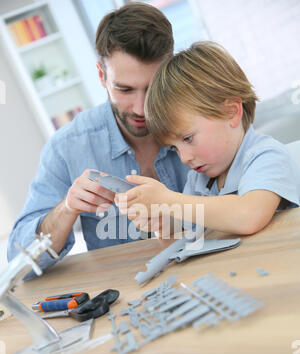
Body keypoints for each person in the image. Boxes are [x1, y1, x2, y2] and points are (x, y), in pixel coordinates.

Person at [7, 2, 189, 275]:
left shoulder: (198, 123)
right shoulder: (67, 147)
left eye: (151, 88)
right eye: (124, 89)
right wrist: (67, 208)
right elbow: (20, 264)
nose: (140, 108)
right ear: (102, 75)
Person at [115, 41, 300, 236]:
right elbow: (186, 227)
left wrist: (168, 199)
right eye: (174, 148)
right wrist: (162, 221)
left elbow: (248, 215)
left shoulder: (266, 156)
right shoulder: (199, 180)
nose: (183, 157)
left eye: (187, 138)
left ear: (231, 112)